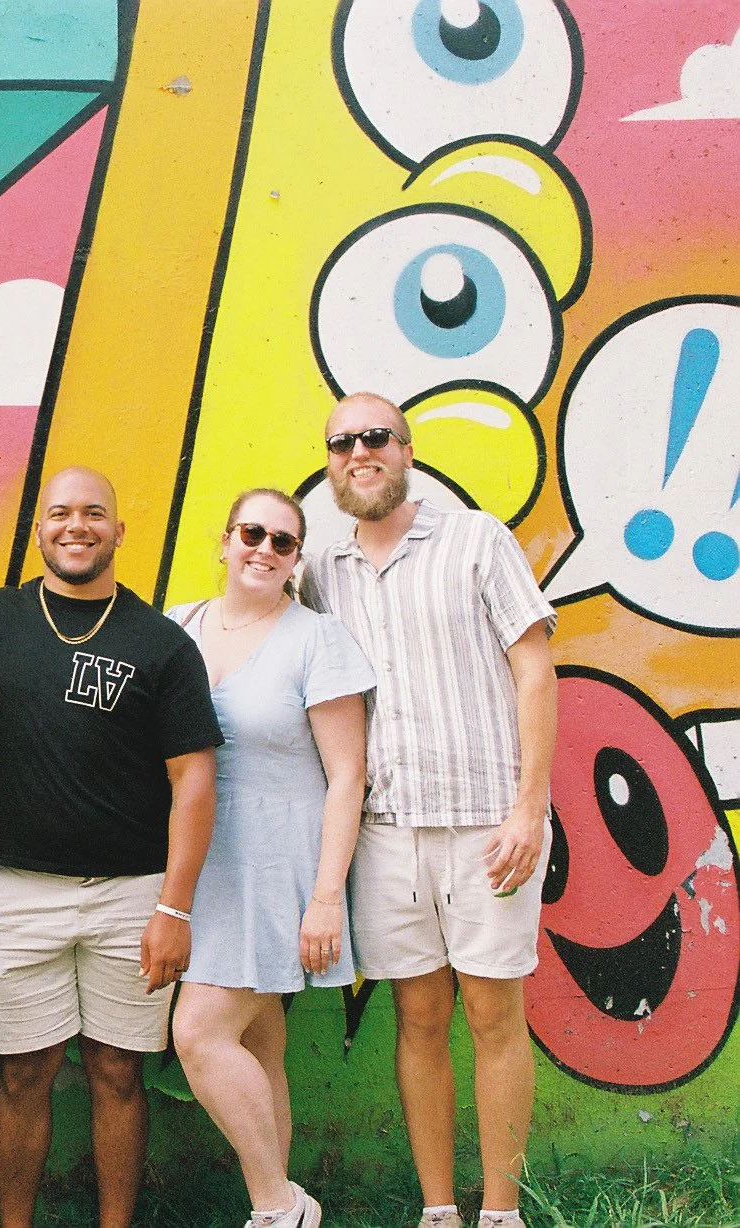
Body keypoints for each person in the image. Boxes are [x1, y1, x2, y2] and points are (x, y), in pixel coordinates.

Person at [0, 467, 222, 1228]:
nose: (75, 526)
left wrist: (173, 908)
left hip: (132, 894)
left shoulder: (161, 643)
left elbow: (196, 783)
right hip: (16, 890)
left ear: (118, 531)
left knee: (118, 1073)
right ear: (40, 530)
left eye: (92, 514)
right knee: (24, 1074)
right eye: (59, 514)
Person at [300, 393, 557, 1228]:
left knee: (492, 1011)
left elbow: (534, 671)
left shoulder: (475, 539)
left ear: (406, 450)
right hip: (387, 832)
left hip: (491, 824)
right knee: (417, 1015)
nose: (358, 452)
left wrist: (530, 809)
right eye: (341, 444)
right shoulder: (321, 575)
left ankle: (503, 1213)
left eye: (374, 437)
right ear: (331, 464)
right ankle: (440, 1210)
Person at [166, 489, 374, 1228]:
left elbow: (347, 775)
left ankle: (278, 1206)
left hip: (278, 865)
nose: (265, 549)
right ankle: (282, 1204)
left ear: (295, 560)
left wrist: (325, 898)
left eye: (284, 543)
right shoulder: (177, 627)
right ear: (224, 541)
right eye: (253, 533)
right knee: (259, 1039)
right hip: (198, 865)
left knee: (199, 1033)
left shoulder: (317, 639)